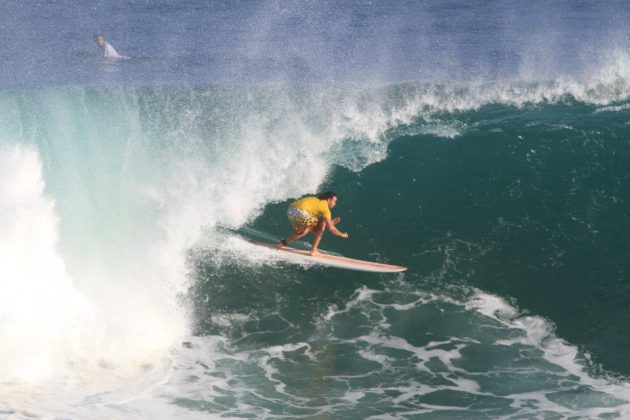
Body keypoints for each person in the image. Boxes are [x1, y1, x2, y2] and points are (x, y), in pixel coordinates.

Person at [276, 191, 349, 256]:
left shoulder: (315, 200)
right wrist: (341, 234)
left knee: (302, 231)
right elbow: (331, 228)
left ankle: (282, 243)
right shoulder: (325, 208)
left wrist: (329, 224)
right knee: (322, 225)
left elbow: (316, 225)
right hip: (302, 212)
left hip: (291, 210)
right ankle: (314, 250)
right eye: (334, 201)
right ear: (329, 199)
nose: (335, 204)